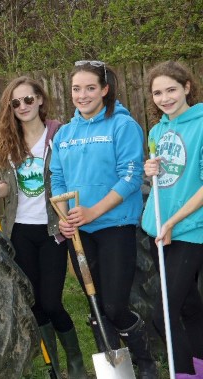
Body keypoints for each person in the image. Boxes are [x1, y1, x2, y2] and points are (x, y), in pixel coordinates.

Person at [50, 60, 158, 378]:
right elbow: (57, 178)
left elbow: (130, 177)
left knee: (114, 305)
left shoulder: (122, 126)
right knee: (96, 307)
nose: (82, 95)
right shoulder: (65, 134)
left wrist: (93, 212)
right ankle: (118, 372)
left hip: (115, 227)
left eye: (90, 88)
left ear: (105, 90)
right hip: (79, 232)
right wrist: (65, 217)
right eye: (76, 89)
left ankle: (145, 360)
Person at [0, 77, 87, 378]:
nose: (22, 106)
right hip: (20, 231)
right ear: (10, 108)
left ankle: (75, 361)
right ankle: (54, 366)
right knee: (34, 303)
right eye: (15, 103)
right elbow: (6, 187)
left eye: (27, 99)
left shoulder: (59, 135)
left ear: (39, 100)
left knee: (51, 302)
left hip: (52, 230)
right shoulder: (8, 142)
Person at [141, 60, 203, 375]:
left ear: (187, 88)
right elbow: (164, 179)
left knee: (163, 315)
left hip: (190, 230)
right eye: (157, 93)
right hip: (159, 230)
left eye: (171, 90)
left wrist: (174, 220)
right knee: (190, 307)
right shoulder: (157, 130)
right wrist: (150, 169)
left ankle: (185, 374)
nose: (165, 98)